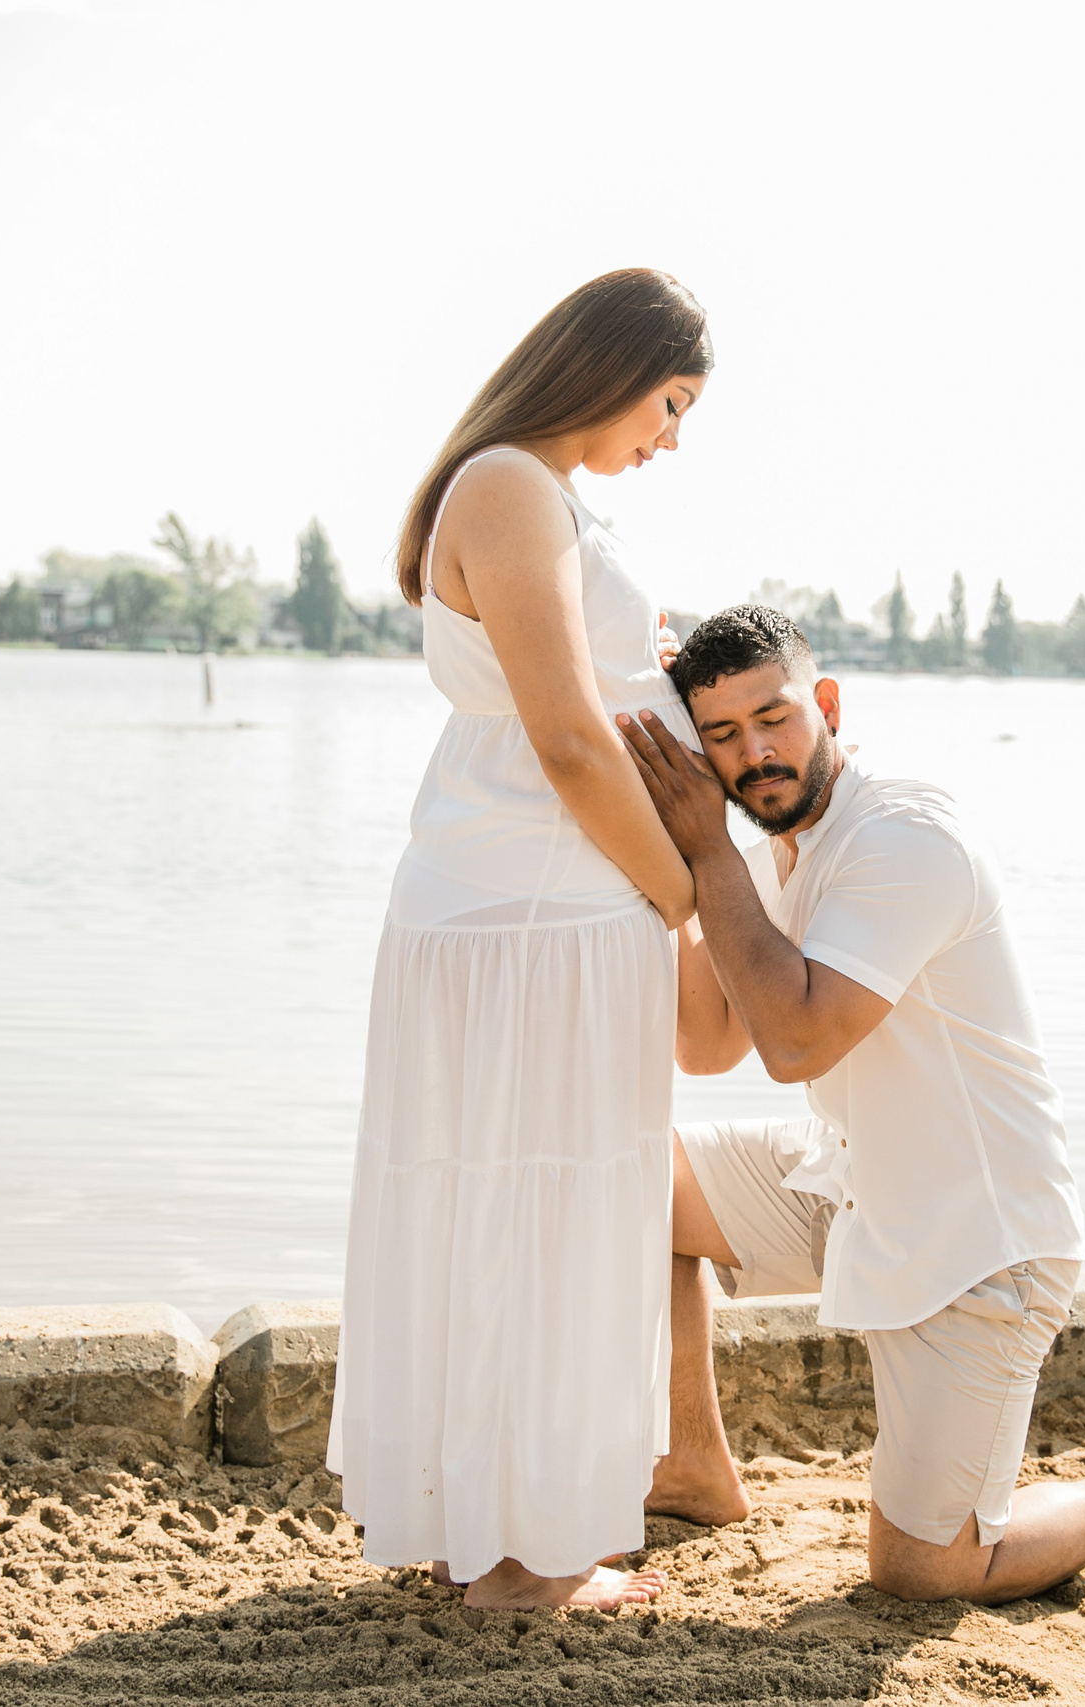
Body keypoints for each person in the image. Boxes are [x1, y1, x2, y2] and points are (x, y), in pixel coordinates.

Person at [618, 605, 1085, 1604]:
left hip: (978, 1243)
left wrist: (706, 854)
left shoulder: (903, 836)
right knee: (627, 1176)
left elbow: (795, 1041)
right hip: (852, 1181)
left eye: (774, 718)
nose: (755, 754)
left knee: (926, 1573)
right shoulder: (769, 841)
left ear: (826, 703)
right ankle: (692, 1469)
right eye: (721, 735)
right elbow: (708, 1044)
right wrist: (676, 856)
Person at [327, 269, 712, 1611]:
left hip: (509, 903)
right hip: (545, 914)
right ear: (611, 368)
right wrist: (682, 888)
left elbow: (577, 710)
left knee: (498, 1205)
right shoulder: (511, 486)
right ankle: (530, 1560)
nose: (671, 438)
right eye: (670, 403)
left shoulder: (525, 491)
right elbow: (563, 735)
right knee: (551, 1212)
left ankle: (484, 1527)